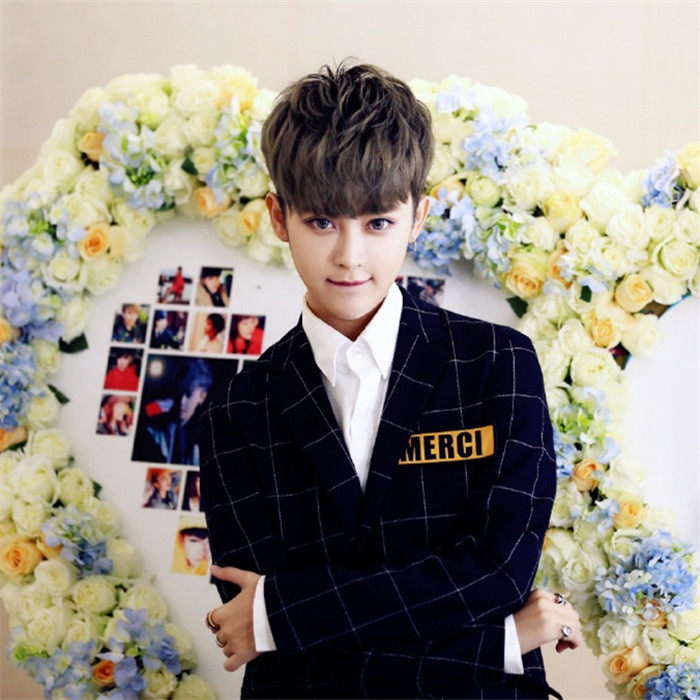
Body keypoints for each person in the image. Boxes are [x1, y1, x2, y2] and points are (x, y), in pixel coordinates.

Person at [197, 59, 581, 699]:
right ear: (278, 217)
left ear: (418, 216)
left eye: (377, 223)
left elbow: (497, 573)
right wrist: (501, 643)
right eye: (322, 221)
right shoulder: (234, 408)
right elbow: (263, 639)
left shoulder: (497, 364)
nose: (350, 256)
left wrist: (281, 615)